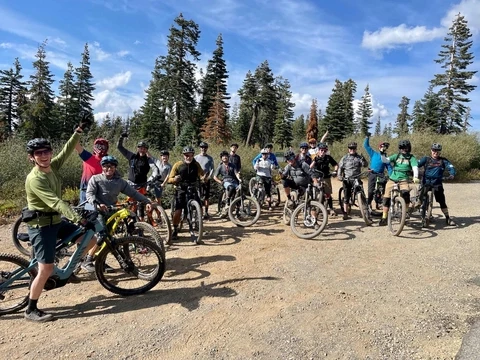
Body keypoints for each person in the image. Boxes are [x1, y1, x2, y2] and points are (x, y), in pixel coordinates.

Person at [24, 124, 96, 322]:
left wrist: (77, 132)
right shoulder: (35, 179)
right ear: (32, 157)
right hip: (41, 226)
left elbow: (66, 151)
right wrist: (78, 218)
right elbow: (55, 202)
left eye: (46, 151)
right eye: (38, 153)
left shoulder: (52, 166)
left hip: (55, 221)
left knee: (89, 240)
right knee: (45, 269)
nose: (44, 155)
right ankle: (31, 309)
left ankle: (69, 269)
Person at [81, 155, 157, 272]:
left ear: (115, 168)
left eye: (111, 166)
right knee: (102, 235)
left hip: (110, 210)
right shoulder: (95, 179)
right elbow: (89, 194)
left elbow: (133, 193)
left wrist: (147, 201)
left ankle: (101, 261)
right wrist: (97, 204)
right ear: (102, 167)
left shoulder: (120, 182)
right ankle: (88, 260)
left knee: (109, 236)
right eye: (106, 166)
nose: (109, 169)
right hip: (94, 210)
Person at [168, 146, 205, 243]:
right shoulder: (178, 165)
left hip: (192, 188)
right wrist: (175, 179)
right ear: (183, 155)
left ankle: (198, 224)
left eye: (190, 155)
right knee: (178, 211)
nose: (188, 157)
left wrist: (204, 178)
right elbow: (170, 179)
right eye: (186, 155)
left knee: (200, 208)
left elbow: (201, 174)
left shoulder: (196, 164)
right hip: (181, 189)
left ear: (193, 155)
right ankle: (175, 229)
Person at [378, 139, 419, 226]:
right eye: (402, 148)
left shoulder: (411, 158)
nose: (404, 149)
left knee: (406, 195)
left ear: (409, 148)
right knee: (386, 198)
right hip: (392, 179)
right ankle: (384, 217)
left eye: (406, 148)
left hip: (404, 180)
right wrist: (382, 152)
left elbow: (415, 167)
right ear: (400, 148)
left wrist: (415, 177)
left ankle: (405, 213)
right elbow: (385, 160)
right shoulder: (396, 156)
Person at [117, 135, 158, 220]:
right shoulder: (132, 156)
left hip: (142, 185)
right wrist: (121, 138)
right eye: (140, 148)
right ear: (137, 148)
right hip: (130, 185)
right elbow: (119, 147)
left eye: (144, 148)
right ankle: (130, 222)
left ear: (146, 150)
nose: (142, 150)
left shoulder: (148, 160)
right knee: (131, 204)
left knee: (141, 205)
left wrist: (152, 178)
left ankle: (141, 227)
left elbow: (155, 169)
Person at [416, 143, 456, 226]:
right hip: (426, 182)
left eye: (437, 151)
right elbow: (416, 164)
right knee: (423, 200)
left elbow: (451, 167)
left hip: (437, 183)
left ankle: (448, 218)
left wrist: (452, 174)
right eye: (434, 150)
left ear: (440, 152)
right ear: (431, 150)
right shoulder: (426, 159)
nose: (436, 152)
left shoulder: (443, 160)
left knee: (442, 201)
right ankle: (424, 216)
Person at [338, 142, 368, 220]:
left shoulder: (359, 157)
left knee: (362, 196)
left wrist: (363, 159)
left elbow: (365, 165)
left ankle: (367, 214)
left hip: (356, 178)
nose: (352, 150)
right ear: (348, 149)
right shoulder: (344, 158)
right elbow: (340, 167)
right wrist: (339, 176)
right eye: (351, 148)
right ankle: (345, 213)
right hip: (347, 179)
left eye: (354, 148)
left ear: (356, 149)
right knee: (346, 196)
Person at [75, 138, 109, 203]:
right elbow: (76, 145)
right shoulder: (88, 157)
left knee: (100, 211)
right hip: (86, 191)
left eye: (103, 146)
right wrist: (77, 132)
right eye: (99, 146)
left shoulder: (108, 161)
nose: (101, 148)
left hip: (101, 192)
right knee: (87, 211)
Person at [363, 136, 392, 211]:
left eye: (385, 147)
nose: (384, 148)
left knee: (382, 190)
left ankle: (379, 203)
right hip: (372, 173)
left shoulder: (386, 157)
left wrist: (391, 176)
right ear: (379, 147)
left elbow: (389, 167)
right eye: (382, 146)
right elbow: (366, 146)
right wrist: (367, 137)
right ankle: (369, 203)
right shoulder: (373, 153)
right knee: (370, 190)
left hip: (381, 174)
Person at [310, 142, 338, 216]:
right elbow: (311, 166)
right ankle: (318, 208)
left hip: (326, 176)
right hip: (317, 177)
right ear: (318, 150)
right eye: (321, 150)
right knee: (317, 194)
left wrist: (335, 171)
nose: (323, 152)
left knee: (328, 193)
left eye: (324, 150)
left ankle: (331, 208)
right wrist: (312, 168)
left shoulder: (328, 157)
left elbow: (335, 164)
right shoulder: (315, 157)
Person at [194, 142, 215, 219]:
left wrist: (209, 177)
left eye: (205, 147)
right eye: (202, 147)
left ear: (207, 148)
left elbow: (212, 168)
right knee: (198, 196)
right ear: (200, 148)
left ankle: (206, 212)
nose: (203, 149)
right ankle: (199, 212)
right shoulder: (196, 158)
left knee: (206, 197)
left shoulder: (210, 158)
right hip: (198, 180)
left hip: (206, 179)